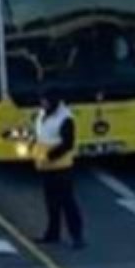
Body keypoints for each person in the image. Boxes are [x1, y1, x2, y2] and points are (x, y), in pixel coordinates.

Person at [31, 87, 84, 249]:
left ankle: (77, 236)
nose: (42, 103)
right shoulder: (42, 114)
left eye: (45, 101)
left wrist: (48, 156)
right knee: (51, 202)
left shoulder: (66, 119)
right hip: (45, 167)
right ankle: (52, 234)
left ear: (53, 101)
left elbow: (68, 144)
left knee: (67, 202)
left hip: (61, 167)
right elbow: (41, 134)